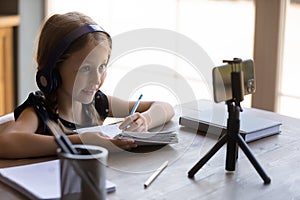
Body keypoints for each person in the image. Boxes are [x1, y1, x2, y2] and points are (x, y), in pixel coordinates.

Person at [0, 12, 174, 159]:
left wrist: (145, 120)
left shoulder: (97, 102)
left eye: (102, 67)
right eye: (85, 69)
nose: (96, 79)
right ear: (52, 71)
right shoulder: (40, 110)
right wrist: (81, 140)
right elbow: (5, 142)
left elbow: (165, 107)